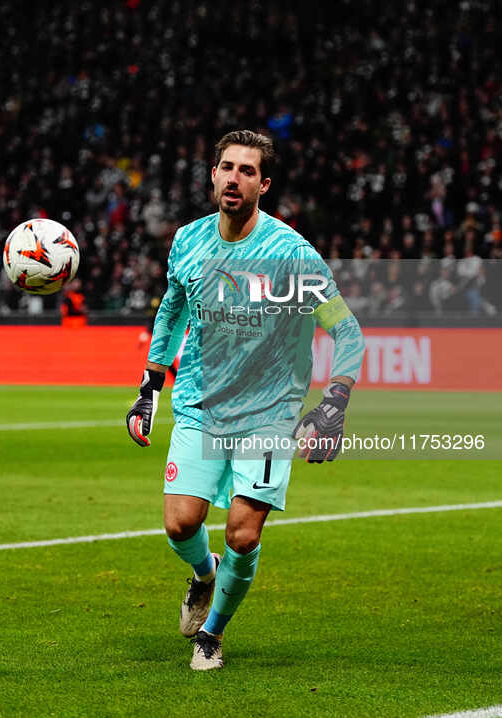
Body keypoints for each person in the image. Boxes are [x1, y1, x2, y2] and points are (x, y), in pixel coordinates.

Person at [126, 130, 365, 670]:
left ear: (264, 184)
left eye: (247, 171)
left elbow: (346, 331)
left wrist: (335, 402)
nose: (235, 177)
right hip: (200, 404)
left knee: (242, 530)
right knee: (180, 524)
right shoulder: (187, 241)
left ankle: (211, 634)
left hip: (268, 411)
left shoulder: (290, 254)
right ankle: (203, 574)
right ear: (213, 176)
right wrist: (149, 388)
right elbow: (171, 313)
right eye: (227, 167)